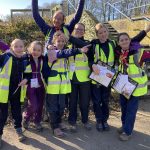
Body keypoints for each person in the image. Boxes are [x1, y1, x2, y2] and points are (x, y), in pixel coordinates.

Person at [89, 23, 150, 132]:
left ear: (107, 32)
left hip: (114, 80)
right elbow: (89, 57)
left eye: (104, 32)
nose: (103, 34)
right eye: (100, 33)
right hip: (100, 80)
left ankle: (107, 122)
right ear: (97, 34)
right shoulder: (96, 45)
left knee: (106, 101)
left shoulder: (116, 46)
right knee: (98, 102)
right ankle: (100, 121)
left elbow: (132, 41)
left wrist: (145, 30)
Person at [44, 31, 89, 138]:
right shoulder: (50, 51)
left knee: (62, 106)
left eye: (63, 41)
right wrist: (78, 50)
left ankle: (58, 122)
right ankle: (55, 127)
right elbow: (61, 54)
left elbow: (66, 54)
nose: (60, 43)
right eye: (58, 41)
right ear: (54, 42)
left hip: (63, 84)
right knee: (53, 106)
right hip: (53, 84)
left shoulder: (65, 51)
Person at [116, 33, 148, 141]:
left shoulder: (138, 51)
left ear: (130, 40)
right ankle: (125, 126)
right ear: (118, 43)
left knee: (131, 110)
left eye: (126, 39)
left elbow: (147, 57)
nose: (124, 41)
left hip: (135, 88)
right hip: (124, 86)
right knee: (124, 109)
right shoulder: (120, 54)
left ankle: (127, 132)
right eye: (122, 40)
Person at [0, 39, 32, 148]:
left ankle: (18, 131)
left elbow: (29, 74)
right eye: (16, 46)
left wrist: (26, 80)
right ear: (11, 47)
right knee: (2, 114)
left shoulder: (26, 59)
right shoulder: (5, 56)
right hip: (3, 91)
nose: (19, 48)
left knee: (17, 111)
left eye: (21, 46)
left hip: (17, 90)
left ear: (24, 47)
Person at [68, 23, 91, 132]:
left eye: (81, 29)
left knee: (84, 102)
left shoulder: (87, 43)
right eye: (77, 29)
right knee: (72, 102)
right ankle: (72, 122)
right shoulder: (68, 45)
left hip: (85, 78)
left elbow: (81, 45)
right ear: (73, 31)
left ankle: (85, 120)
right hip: (71, 78)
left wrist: (68, 36)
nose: (79, 31)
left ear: (84, 31)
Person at [23, 41, 45, 131]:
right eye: (34, 49)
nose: (36, 52)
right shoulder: (26, 58)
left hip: (40, 84)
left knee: (40, 104)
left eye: (39, 50)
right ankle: (26, 117)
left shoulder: (43, 59)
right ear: (29, 49)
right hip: (30, 84)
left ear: (41, 51)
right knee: (33, 104)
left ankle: (37, 121)